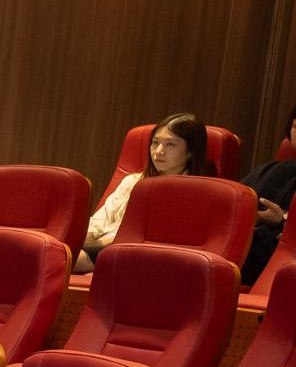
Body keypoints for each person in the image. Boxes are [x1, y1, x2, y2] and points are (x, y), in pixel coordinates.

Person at [83, 112, 216, 268]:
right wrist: (72, 238)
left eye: (170, 144)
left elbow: (154, 239)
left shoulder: (193, 194)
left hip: (136, 255)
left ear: (191, 151)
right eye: (155, 142)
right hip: (102, 246)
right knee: (57, 251)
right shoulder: (133, 181)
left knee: (64, 259)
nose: (158, 151)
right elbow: (100, 221)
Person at [240, 107, 296, 286]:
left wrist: (282, 220)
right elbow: (233, 205)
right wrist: (249, 217)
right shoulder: (269, 170)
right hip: (247, 253)